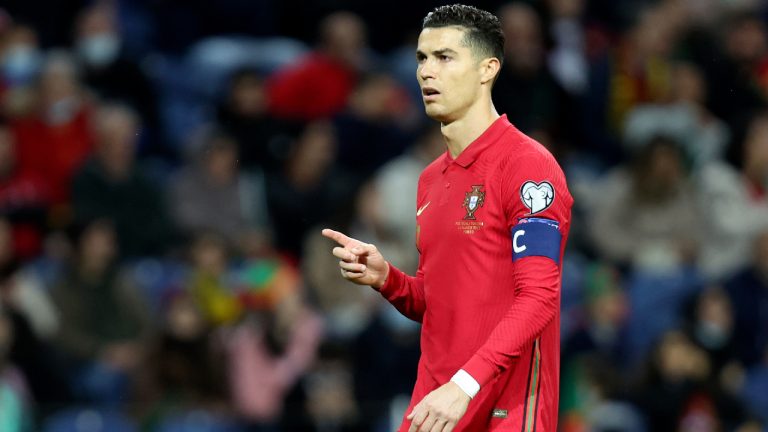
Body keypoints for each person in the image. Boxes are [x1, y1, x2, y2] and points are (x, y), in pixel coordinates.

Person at [323, 4, 573, 431]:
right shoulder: (430, 180)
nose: (426, 72)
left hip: (504, 409)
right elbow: (442, 305)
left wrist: (465, 385)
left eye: (444, 57)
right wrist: (388, 280)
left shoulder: (528, 166)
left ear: (487, 69)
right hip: (436, 402)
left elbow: (539, 299)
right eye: (422, 58)